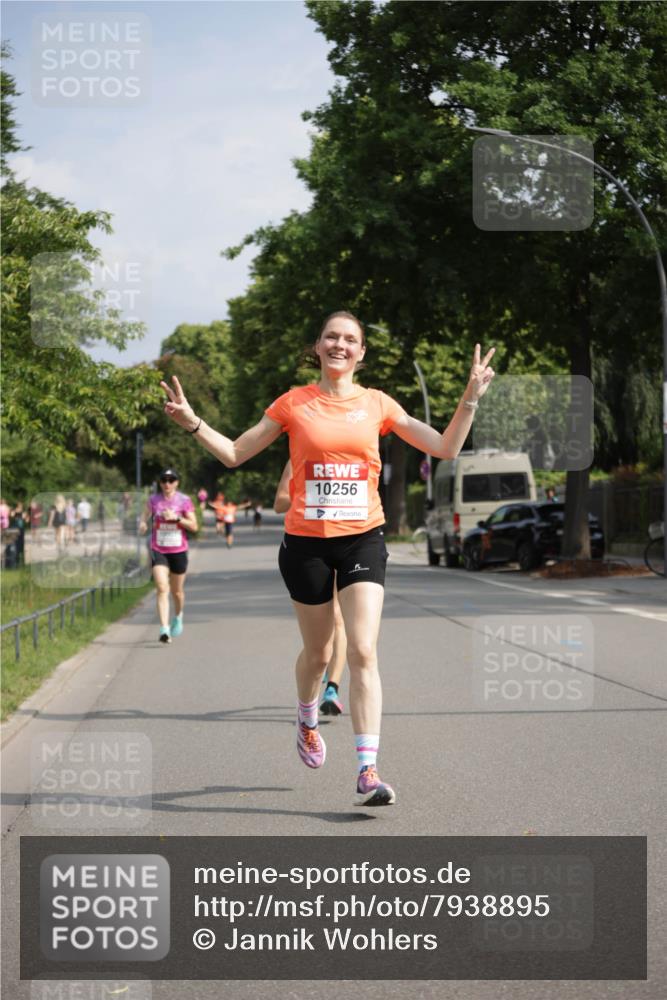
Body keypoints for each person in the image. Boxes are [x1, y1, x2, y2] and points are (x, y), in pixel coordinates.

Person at [161, 311, 495, 805]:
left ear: (362, 353)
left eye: (350, 339)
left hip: (362, 537)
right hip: (305, 543)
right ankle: (306, 714)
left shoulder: (378, 404)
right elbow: (234, 453)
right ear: (317, 347)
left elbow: (445, 447)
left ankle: (367, 769)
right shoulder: (294, 403)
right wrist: (194, 424)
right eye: (331, 337)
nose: (340, 344)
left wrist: (469, 397)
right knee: (318, 655)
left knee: (362, 649)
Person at [274, 460, 346, 716]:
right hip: (309, 548)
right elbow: (279, 503)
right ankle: (315, 688)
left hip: (346, 541)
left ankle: (332, 688)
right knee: (320, 639)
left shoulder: (349, 454)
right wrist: (305, 492)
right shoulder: (296, 460)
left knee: (338, 616)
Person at [139, 468, 198, 644]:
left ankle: (178, 616)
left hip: (178, 550)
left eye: (171, 480)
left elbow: (194, 526)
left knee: (177, 592)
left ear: (176, 483)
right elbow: (144, 517)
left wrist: (177, 519)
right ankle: (164, 628)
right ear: (160, 482)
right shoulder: (153, 500)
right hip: (159, 549)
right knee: (162, 587)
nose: (167, 483)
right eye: (164, 480)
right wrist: (143, 524)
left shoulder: (184, 501)